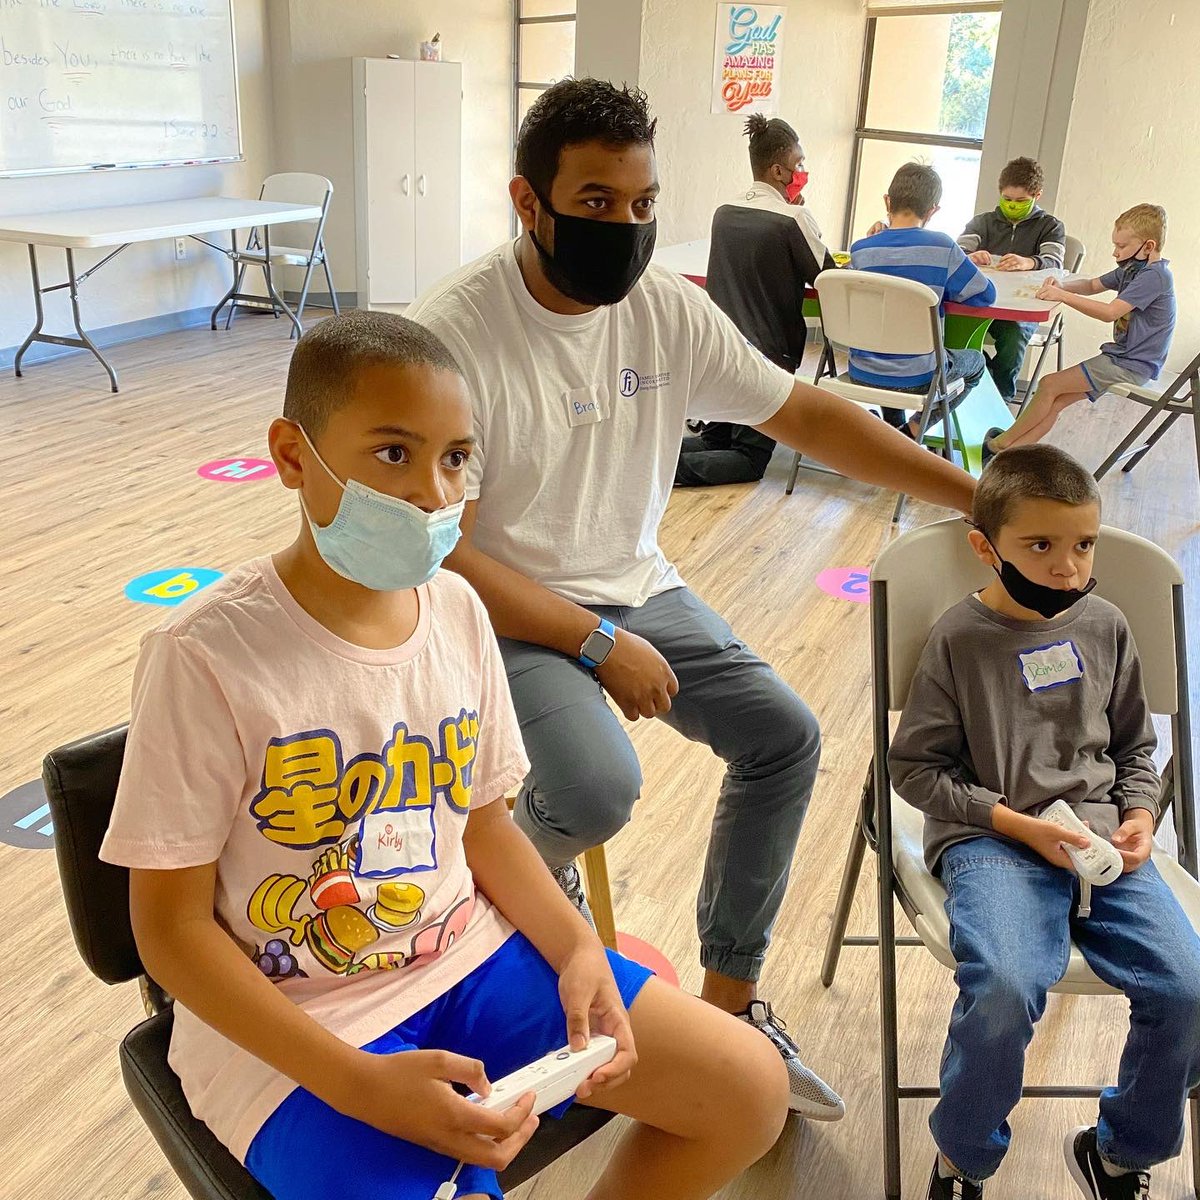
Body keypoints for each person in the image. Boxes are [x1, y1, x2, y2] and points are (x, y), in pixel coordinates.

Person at [99, 311, 792, 1200]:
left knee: (749, 1089)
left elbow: (484, 826)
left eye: (456, 458)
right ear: (292, 455)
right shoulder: (203, 655)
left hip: (468, 957)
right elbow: (170, 931)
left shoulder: (460, 610)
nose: (433, 493)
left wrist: (577, 946)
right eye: (394, 453)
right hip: (293, 1032)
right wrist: (354, 1084)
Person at [406, 77, 976, 1117]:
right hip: (504, 609)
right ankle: (510, 896)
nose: (623, 226)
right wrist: (594, 643)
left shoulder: (662, 306)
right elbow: (445, 556)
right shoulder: (455, 334)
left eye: (641, 204)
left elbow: (808, 416)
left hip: (637, 583)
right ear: (528, 202)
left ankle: (729, 1009)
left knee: (784, 737)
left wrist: (977, 496)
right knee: (595, 789)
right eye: (594, 202)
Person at [889, 444, 1200, 1200]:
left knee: (1189, 985)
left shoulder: (1107, 625)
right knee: (1004, 986)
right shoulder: (958, 640)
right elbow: (916, 771)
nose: (1067, 567)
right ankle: (962, 1160)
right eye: (1040, 546)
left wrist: (1139, 813)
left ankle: (1120, 1153)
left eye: (1083, 545)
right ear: (985, 547)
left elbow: (1135, 749)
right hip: (993, 842)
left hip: (1099, 841)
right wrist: (1014, 824)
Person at [676, 113, 835, 488]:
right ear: (779, 171)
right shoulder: (793, 218)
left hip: (718, 350)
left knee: (713, 440)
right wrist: (802, 214)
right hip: (766, 358)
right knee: (749, 458)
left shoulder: (724, 212)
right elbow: (829, 278)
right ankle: (661, 471)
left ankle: (646, 453)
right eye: (799, 164)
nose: (802, 171)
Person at [983, 204, 1176, 460]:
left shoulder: (1155, 276)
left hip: (1132, 364)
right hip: (1125, 358)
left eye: (1121, 246)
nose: (1115, 252)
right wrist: (1063, 285)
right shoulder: (1133, 269)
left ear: (1148, 246)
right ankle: (1007, 454)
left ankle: (999, 445)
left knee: (1049, 384)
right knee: (1056, 399)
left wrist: (1062, 295)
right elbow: (1092, 285)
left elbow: (1110, 312)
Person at [849, 163, 995, 439]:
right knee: (977, 364)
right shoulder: (943, 246)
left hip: (862, 370)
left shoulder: (860, 250)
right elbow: (985, 295)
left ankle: (890, 433)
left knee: (889, 339)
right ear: (932, 211)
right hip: (919, 377)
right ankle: (911, 432)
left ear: (887, 202)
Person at [956, 156, 1068, 403]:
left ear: (1037, 195)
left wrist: (1030, 262)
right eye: (1007, 199)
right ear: (1000, 193)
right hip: (981, 303)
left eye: (1021, 201)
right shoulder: (983, 222)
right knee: (951, 328)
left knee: (1014, 335)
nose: (1013, 205)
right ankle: (975, 376)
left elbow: (1054, 262)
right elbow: (957, 252)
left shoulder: (1050, 227)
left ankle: (1000, 396)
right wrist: (970, 256)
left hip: (1019, 308)